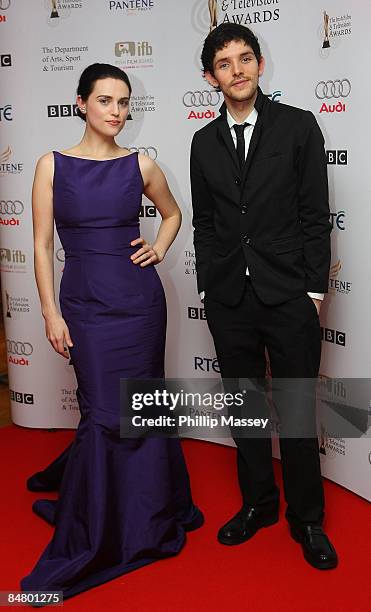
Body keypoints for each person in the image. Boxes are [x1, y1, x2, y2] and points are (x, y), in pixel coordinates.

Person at [21, 63, 203, 599]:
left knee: (142, 406)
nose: (116, 112)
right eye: (105, 101)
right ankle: (98, 527)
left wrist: (160, 247)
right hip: (85, 305)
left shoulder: (140, 164)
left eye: (124, 102)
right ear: (81, 103)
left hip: (140, 304)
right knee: (104, 412)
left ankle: (148, 519)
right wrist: (51, 314)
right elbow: (39, 246)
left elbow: (172, 214)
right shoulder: (51, 166)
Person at [190, 24, 337, 569]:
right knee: (246, 409)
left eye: (246, 58)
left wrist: (313, 291)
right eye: (225, 63)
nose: (238, 70)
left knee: (297, 411)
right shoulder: (202, 142)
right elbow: (205, 221)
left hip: (288, 295)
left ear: (260, 65)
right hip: (229, 297)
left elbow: (315, 217)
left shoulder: (299, 128)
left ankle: (308, 520)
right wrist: (208, 283)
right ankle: (258, 504)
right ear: (211, 77)